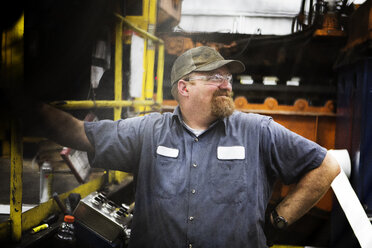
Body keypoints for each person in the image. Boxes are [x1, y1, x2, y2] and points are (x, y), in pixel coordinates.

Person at [35, 46, 340, 247]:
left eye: (228, 77)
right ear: (184, 87)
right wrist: (29, 111)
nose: (226, 85)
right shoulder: (149, 131)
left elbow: (327, 165)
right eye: (214, 77)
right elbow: (82, 134)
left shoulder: (257, 131)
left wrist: (279, 218)